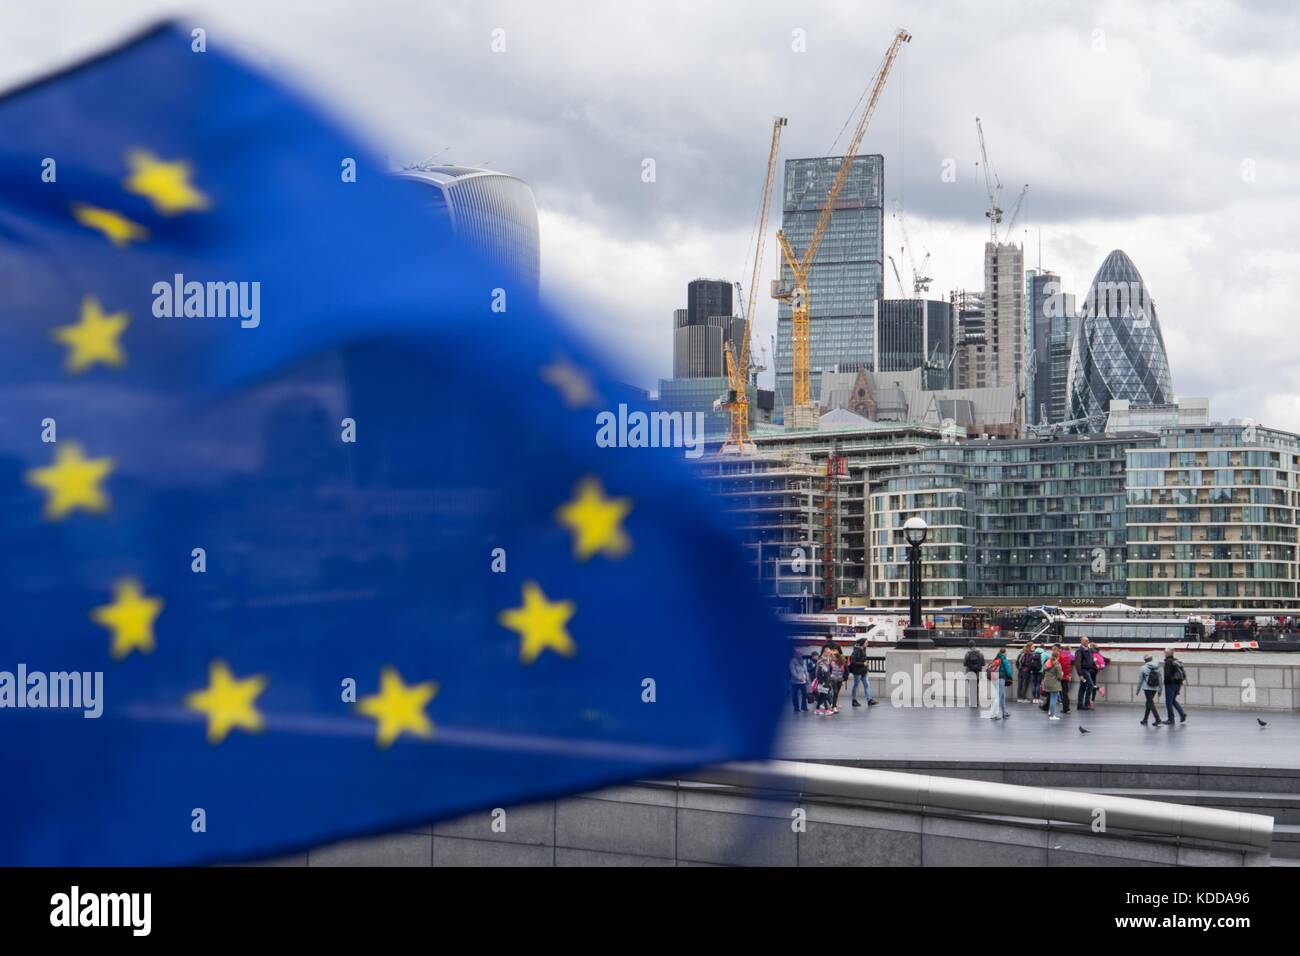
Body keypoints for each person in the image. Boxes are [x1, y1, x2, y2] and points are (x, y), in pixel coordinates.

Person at [1136, 654, 1164, 726]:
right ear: (1152, 659)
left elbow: (1140, 680)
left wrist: (1137, 690)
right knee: (1148, 703)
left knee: (1150, 703)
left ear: (1145, 661)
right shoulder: (1157, 667)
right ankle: (1145, 719)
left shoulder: (1143, 668)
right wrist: (1160, 690)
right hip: (1155, 688)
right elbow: (1160, 679)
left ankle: (1158, 720)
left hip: (1147, 688)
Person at [848, 638, 878, 707]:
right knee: (856, 685)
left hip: (864, 671)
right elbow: (853, 662)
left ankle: (869, 700)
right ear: (862, 643)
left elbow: (862, 659)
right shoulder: (856, 651)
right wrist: (863, 664)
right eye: (866, 642)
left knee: (867, 685)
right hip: (858, 671)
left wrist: (866, 665)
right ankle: (854, 700)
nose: (867, 644)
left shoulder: (863, 649)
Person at [1163, 648, 1187, 724]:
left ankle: (1171, 719)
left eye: (1165, 652)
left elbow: (1167, 675)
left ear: (1168, 654)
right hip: (1178, 684)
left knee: (1168, 702)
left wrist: (1165, 683)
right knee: (1173, 700)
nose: (1164, 654)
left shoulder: (1168, 662)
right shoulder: (1176, 661)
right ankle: (1182, 714)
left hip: (1170, 684)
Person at [988, 646, 1013, 720]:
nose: (1007, 653)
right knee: (998, 696)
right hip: (1000, 678)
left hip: (994, 678)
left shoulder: (996, 658)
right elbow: (1008, 671)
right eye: (1006, 652)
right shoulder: (1004, 659)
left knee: (1002, 696)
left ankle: (1004, 713)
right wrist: (1010, 676)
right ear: (1004, 652)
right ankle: (993, 714)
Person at [1041, 648, 1064, 720]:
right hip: (1054, 684)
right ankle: (1052, 715)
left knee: (1051, 698)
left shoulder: (1048, 663)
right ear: (1058, 657)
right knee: (1053, 700)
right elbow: (1059, 677)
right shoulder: (1057, 664)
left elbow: (1044, 671)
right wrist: (1062, 674)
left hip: (1047, 682)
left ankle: (1050, 712)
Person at [962, 640, 986, 708]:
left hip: (970, 673)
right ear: (975, 645)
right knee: (977, 687)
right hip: (978, 673)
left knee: (971, 688)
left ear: (969, 646)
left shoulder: (967, 654)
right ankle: (977, 702)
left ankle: (973, 702)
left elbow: (964, 664)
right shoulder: (980, 653)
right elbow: (983, 664)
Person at [1076, 637, 1097, 710]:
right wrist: (1080, 674)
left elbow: (1091, 659)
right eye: (1086, 640)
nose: (1087, 641)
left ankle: (1080, 705)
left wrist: (1094, 665)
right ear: (1081, 641)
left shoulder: (1089, 650)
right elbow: (1078, 663)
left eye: (1088, 640)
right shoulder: (1079, 651)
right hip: (1084, 670)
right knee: (1091, 685)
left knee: (1082, 688)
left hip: (1088, 670)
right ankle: (1087, 703)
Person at [813, 652, 835, 716]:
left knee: (821, 697)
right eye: (828, 659)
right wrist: (822, 682)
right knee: (824, 697)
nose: (829, 661)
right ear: (826, 660)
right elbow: (818, 675)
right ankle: (826, 710)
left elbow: (828, 676)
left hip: (825, 684)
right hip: (823, 684)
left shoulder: (826, 666)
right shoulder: (822, 666)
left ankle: (817, 710)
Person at [789, 649, 809, 715]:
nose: (800, 655)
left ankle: (804, 707)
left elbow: (806, 671)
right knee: (795, 696)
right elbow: (793, 671)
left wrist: (807, 679)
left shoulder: (803, 661)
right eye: (799, 654)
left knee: (805, 694)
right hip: (794, 682)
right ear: (796, 654)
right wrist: (799, 678)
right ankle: (796, 708)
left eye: (801, 654)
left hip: (803, 682)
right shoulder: (792, 661)